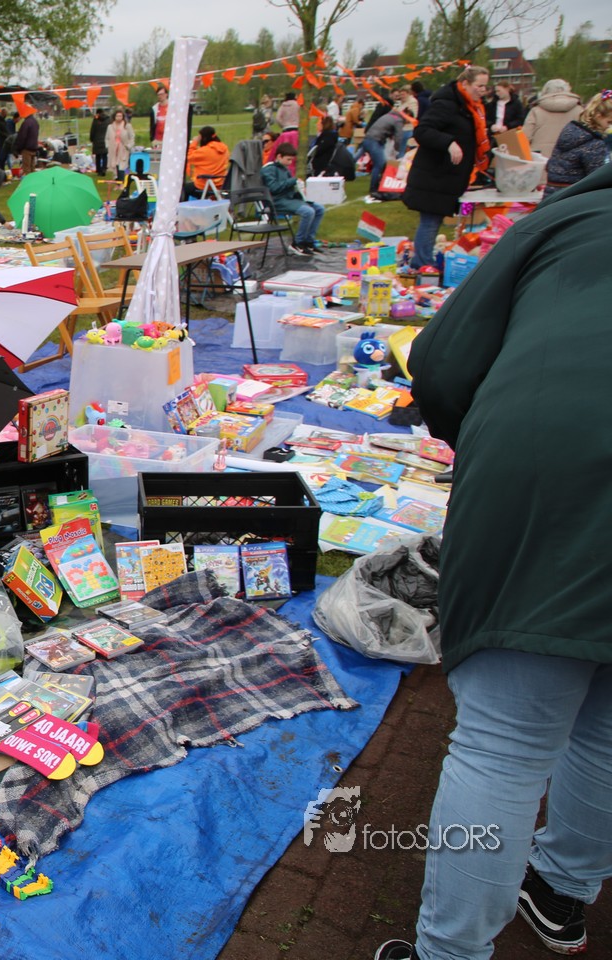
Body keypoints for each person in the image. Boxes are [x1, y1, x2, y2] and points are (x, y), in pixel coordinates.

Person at [375, 161, 612, 960]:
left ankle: (451, 952)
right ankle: (564, 891)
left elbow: (440, 363)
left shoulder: (568, 220)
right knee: (607, 731)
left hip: (551, 473)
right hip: (558, 467)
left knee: (506, 743)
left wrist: (481, 437)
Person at [402, 65, 490, 272]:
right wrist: (448, 143)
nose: (483, 90)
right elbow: (423, 131)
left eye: (485, 86)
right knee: (430, 221)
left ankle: (424, 262)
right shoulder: (447, 105)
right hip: (434, 176)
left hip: (446, 177)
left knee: (434, 221)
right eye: (479, 86)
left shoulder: (470, 108)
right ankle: (423, 265)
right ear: (465, 84)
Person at [542, 91, 612, 202]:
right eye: (609, 122)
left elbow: (551, 166)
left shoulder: (571, 132)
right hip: (574, 199)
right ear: (598, 117)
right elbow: (599, 178)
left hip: (552, 196)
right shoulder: (595, 144)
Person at [261, 141, 324, 255]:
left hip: (288, 199)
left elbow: (288, 187)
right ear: (279, 156)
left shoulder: (284, 168)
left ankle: (309, 241)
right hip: (276, 201)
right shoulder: (269, 169)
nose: (290, 163)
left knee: (319, 209)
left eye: (292, 160)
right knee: (308, 211)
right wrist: (293, 181)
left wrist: (301, 193)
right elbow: (274, 188)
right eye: (288, 159)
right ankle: (298, 243)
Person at [523, 78, 583, 158]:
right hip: (569, 158)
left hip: (540, 158)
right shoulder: (579, 110)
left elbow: (525, 137)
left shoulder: (535, 111)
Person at [357, 108, 406, 201]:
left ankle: (378, 184)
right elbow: (399, 137)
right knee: (379, 164)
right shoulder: (398, 120)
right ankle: (374, 188)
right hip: (375, 141)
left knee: (377, 164)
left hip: (368, 139)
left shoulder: (389, 116)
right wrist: (397, 150)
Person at [184, 126, 229, 196]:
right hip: (220, 184)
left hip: (204, 185)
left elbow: (188, 156)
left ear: (204, 138)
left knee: (183, 189)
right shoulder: (224, 148)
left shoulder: (205, 151)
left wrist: (194, 142)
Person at [13, 108, 41, 176]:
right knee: (32, 168)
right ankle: (34, 181)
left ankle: (28, 182)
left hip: (27, 149)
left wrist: (18, 148)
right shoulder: (35, 122)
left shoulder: (26, 123)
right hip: (34, 148)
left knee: (27, 169)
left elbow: (22, 137)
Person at [108, 109, 133, 178]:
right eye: (117, 116)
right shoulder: (110, 127)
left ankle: (122, 180)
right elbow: (107, 138)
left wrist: (129, 146)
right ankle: (117, 179)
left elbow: (132, 137)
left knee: (122, 165)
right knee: (115, 165)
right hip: (114, 148)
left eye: (120, 116)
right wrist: (108, 146)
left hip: (123, 148)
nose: (118, 118)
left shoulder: (127, 126)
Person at [89, 108, 110, 176]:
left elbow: (92, 130)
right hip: (105, 140)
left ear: (97, 113)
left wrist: (91, 139)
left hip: (97, 140)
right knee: (104, 155)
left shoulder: (95, 120)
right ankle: (104, 169)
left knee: (98, 156)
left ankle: (99, 170)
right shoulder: (108, 119)